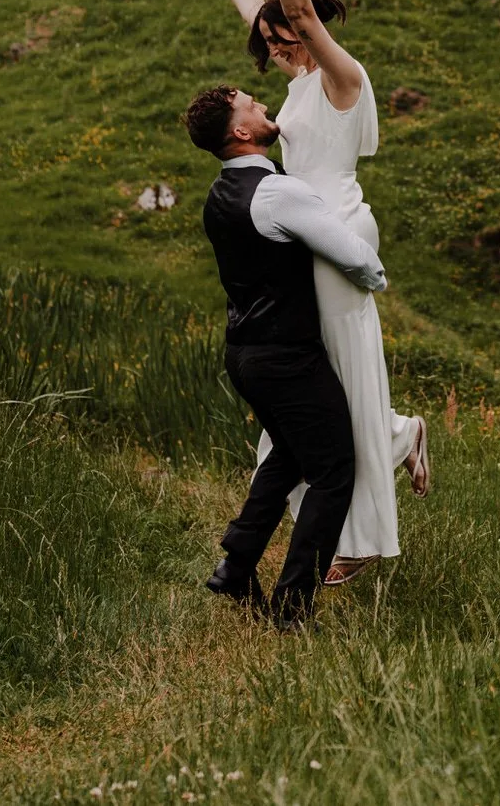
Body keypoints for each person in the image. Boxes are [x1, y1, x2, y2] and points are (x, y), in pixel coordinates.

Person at [205, 0, 429, 588]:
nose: (272, 51)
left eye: (281, 41)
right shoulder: (300, 82)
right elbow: (265, 16)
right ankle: (397, 435)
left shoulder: (341, 77)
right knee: (320, 381)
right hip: (307, 234)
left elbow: (297, 14)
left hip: (338, 234)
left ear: (305, 35)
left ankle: (358, 536)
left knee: (337, 378)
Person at [182, 83, 387, 626]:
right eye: (252, 106)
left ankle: (236, 564)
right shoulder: (276, 193)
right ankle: (293, 607)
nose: (264, 106)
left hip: (245, 355)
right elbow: (353, 255)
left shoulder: (219, 194)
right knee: (334, 470)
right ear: (241, 131)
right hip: (287, 357)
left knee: (291, 455)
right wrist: (376, 279)